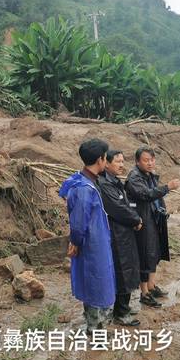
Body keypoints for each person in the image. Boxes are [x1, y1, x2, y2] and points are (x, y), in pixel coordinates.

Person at [59, 139, 115, 332]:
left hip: (96, 240)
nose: (106, 161)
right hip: (91, 243)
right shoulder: (84, 188)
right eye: (106, 158)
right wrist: (75, 241)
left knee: (96, 278)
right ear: (100, 159)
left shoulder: (85, 180)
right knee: (95, 280)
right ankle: (95, 327)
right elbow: (79, 220)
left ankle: (97, 323)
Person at [125, 147, 180, 307]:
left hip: (153, 218)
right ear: (137, 162)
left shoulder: (149, 175)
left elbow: (154, 195)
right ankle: (144, 293)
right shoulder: (134, 177)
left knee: (154, 252)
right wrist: (167, 187)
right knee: (145, 254)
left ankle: (151, 285)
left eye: (152, 159)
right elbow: (146, 195)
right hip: (142, 221)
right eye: (146, 160)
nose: (150, 163)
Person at [98, 150, 143, 326]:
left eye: (123, 161)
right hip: (117, 233)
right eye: (118, 161)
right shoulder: (104, 184)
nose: (122, 165)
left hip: (124, 232)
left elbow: (125, 205)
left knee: (127, 269)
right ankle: (121, 313)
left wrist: (134, 218)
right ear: (106, 163)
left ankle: (122, 307)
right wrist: (136, 219)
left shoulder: (115, 181)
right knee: (123, 270)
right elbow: (117, 208)